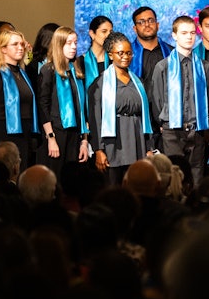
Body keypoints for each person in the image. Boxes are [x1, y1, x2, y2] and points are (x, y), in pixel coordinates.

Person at [149, 16, 209, 186]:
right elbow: (156, 99)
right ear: (174, 35)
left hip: (196, 129)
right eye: (184, 33)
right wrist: (163, 123)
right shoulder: (163, 66)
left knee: (197, 175)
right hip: (172, 130)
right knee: (174, 176)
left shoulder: (203, 66)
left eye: (192, 33)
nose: (189, 37)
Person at [88, 32, 153, 185]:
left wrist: (149, 147)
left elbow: (146, 116)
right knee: (113, 186)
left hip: (137, 139)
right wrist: (98, 150)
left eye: (129, 53)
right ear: (111, 55)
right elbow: (95, 118)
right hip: (113, 142)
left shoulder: (138, 82)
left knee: (136, 185)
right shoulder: (100, 84)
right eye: (120, 53)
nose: (125, 56)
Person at [0, 29, 40, 171]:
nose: (20, 48)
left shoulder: (23, 73)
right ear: (3, 49)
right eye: (15, 44)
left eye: (22, 44)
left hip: (24, 133)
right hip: (3, 133)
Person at [36, 26, 89, 178]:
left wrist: (84, 141)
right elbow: (43, 105)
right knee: (54, 178)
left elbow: (82, 108)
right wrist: (51, 138)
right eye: (69, 43)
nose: (74, 47)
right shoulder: (48, 70)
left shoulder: (76, 70)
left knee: (72, 180)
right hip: (56, 132)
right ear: (59, 45)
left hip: (75, 134)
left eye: (75, 42)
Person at [129, 6, 173, 88]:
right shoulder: (127, 54)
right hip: (139, 100)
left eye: (151, 20)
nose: (147, 24)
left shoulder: (171, 53)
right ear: (135, 28)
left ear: (157, 25)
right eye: (141, 22)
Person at [78, 15, 113, 95]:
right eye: (104, 31)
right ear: (92, 34)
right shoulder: (81, 62)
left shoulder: (113, 60)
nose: (108, 36)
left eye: (111, 32)